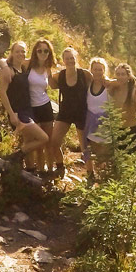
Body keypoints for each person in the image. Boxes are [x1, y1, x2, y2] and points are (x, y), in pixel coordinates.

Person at [0, 41, 48, 166]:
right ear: (12, 53)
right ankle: (15, 156)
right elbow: (2, 93)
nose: (20, 54)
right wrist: (12, 114)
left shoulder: (24, 67)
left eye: (23, 51)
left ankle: (29, 169)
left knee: (29, 140)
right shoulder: (9, 71)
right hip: (18, 113)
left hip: (28, 110)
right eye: (17, 51)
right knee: (43, 138)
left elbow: (39, 58)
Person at [49, 46, 88, 179]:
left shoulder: (84, 74)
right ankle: (60, 167)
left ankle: (90, 174)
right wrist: (47, 69)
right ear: (64, 60)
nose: (70, 61)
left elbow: (98, 83)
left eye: (72, 58)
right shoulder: (60, 75)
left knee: (85, 147)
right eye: (67, 59)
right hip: (65, 112)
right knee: (54, 141)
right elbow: (52, 84)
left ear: (76, 59)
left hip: (81, 112)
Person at [27, 38, 59, 174]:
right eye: (39, 50)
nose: (43, 53)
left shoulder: (48, 68)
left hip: (45, 107)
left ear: (49, 53)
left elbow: (53, 85)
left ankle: (50, 169)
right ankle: (38, 169)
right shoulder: (27, 65)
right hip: (31, 108)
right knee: (38, 141)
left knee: (49, 142)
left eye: (46, 51)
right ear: (35, 52)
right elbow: (10, 65)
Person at [83, 57, 113, 182]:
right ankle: (92, 176)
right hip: (90, 122)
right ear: (91, 70)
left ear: (104, 71)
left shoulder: (108, 85)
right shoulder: (88, 84)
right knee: (93, 149)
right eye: (95, 69)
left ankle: (104, 178)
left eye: (100, 70)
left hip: (104, 122)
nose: (98, 72)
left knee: (103, 153)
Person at [110, 62, 136, 152]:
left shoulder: (134, 93)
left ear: (128, 76)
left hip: (133, 132)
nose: (120, 77)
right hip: (118, 132)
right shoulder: (113, 90)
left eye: (123, 74)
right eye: (118, 74)